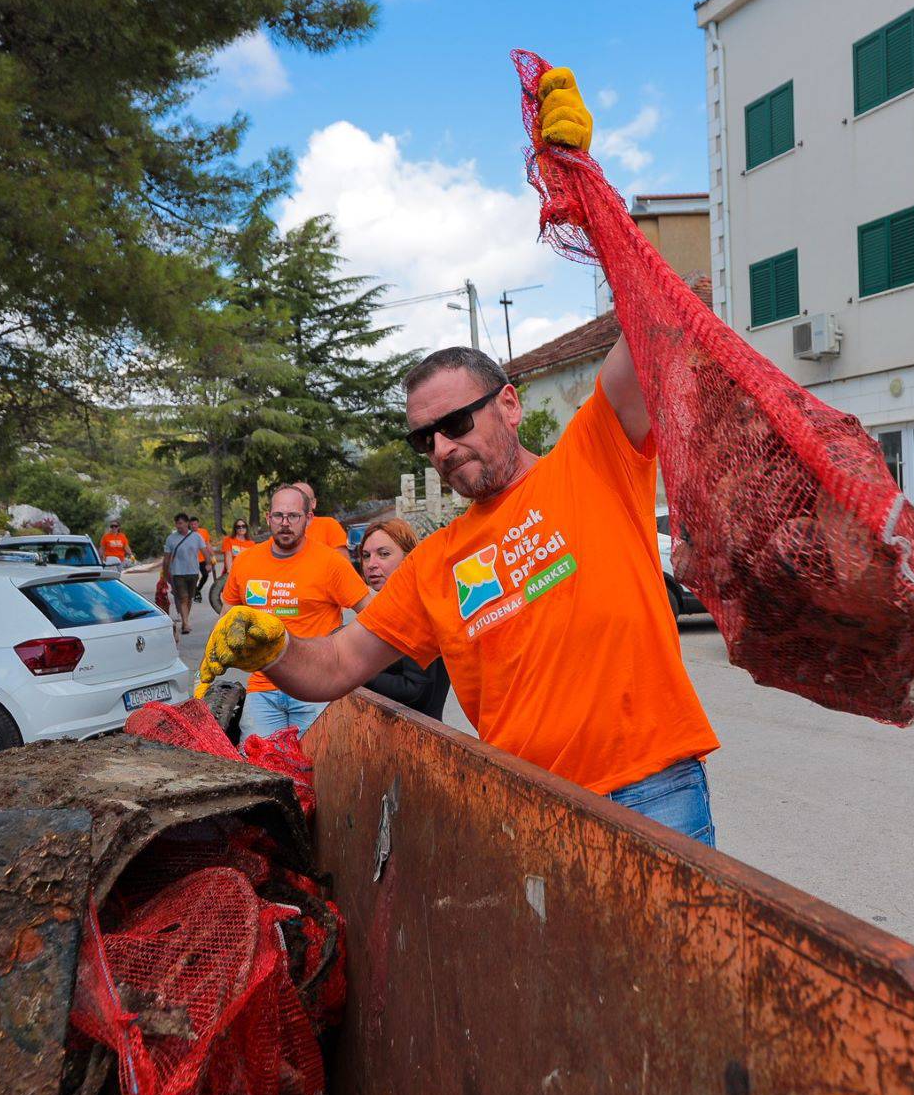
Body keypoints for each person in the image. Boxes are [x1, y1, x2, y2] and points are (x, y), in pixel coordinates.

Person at [197, 71, 718, 845]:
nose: (443, 447)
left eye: (457, 421)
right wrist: (271, 644)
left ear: (507, 403)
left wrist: (585, 187)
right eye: (425, 438)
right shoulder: (436, 563)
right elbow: (336, 664)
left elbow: (662, 320)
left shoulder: (596, 457)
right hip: (523, 809)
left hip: (650, 790)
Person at [219, 484, 373, 740]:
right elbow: (228, 615)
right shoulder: (246, 561)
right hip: (263, 690)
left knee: (315, 774)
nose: (285, 523)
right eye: (279, 516)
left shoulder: (331, 563)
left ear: (309, 518)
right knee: (260, 772)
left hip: (318, 690)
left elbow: (370, 614)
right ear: (269, 518)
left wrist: (347, 660)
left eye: (293, 516)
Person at [356, 518, 451, 720]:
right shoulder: (390, 608)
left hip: (424, 736)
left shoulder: (416, 609)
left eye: (383, 554)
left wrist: (356, 673)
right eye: (366, 556)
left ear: (408, 558)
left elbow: (414, 690)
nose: (371, 564)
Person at [160, 513, 208, 634]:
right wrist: (165, 575)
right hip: (177, 573)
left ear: (187, 523)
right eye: (177, 523)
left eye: (180, 523)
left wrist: (208, 563)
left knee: (189, 598)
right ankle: (186, 623)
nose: (178, 526)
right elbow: (166, 558)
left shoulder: (196, 537)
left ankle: (185, 619)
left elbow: (204, 551)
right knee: (183, 597)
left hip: (193, 572)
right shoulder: (171, 538)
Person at [294, 482, 350, 559]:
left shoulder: (328, 525)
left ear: (313, 503)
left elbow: (343, 563)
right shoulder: (282, 532)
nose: (296, 503)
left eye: (303, 498)